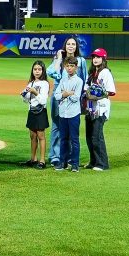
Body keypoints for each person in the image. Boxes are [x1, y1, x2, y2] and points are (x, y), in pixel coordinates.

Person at [46, 36, 88, 168]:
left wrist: (81, 96)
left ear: (76, 47)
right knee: (57, 126)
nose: (71, 46)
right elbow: (52, 73)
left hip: (73, 98)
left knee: (70, 128)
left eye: (73, 44)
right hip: (57, 96)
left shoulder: (81, 61)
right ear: (65, 46)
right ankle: (55, 156)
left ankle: (69, 157)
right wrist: (59, 57)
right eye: (68, 44)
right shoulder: (59, 60)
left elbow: (84, 79)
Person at [83, 48, 116, 171]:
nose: (95, 59)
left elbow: (111, 91)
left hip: (100, 108)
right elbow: (86, 89)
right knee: (89, 136)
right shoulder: (91, 73)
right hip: (90, 107)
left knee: (96, 137)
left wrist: (97, 95)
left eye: (98, 57)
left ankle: (102, 163)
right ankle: (93, 161)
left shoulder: (106, 72)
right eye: (94, 57)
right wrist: (88, 94)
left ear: (103, 59)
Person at [52, 56, 84, 172]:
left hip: (73, 114)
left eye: (72, 66)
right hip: (63, 113)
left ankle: (75, 164)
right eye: (67, 66)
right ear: (64, 67)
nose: (69, 68)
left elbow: (76, 97)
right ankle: (62, 162)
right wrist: (66, 94)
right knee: (63, 139)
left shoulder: (79, 81)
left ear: (76, 67)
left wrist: (64, 94)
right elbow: (56, 96)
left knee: (74, 139)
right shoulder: (63, 80)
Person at [21, 60, 50, 169]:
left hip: (40, 112)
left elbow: (43, 101)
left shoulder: (45, 84)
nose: (37, 72)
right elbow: (26, 100)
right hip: (31, 111)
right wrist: (24, 95)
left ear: (43, 71)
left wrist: (35, 92)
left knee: (41, 136)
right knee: (32, 136)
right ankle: (33, 159)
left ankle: (42, 160)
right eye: (35, 69)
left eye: (39, 69)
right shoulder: (31, 83)